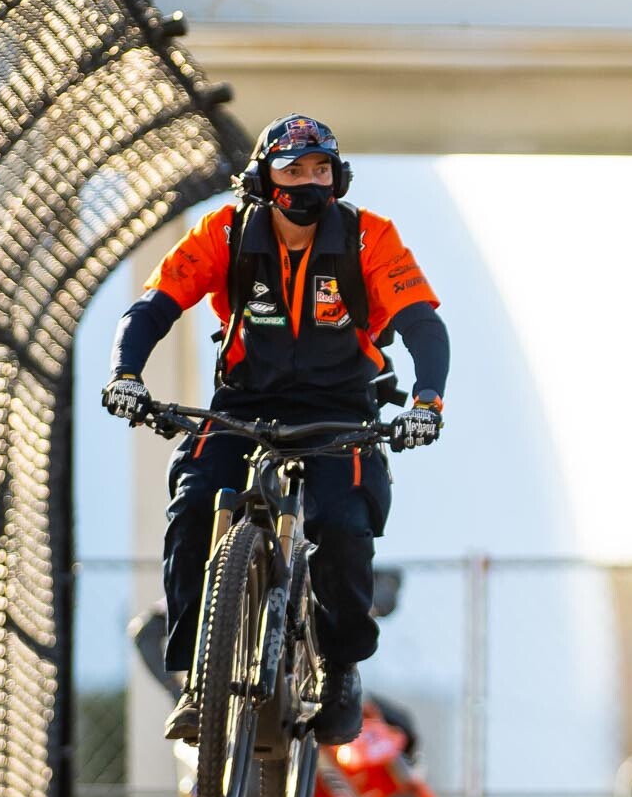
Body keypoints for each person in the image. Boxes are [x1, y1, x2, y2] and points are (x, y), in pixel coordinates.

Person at [100, 115, 450, 746]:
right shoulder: (225, 233)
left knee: (342, 523)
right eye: (293, 170)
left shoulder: (369, 236)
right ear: (263, 181)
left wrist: (427, 401)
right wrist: (125, 374)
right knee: (193, 505)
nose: (309, 182)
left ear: (338, 177)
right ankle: (196, 678)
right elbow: (154, 306)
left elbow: (421, 322)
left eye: (321, 169)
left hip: (340, 411)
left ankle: (339, 670)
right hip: (245, 405)